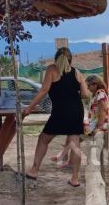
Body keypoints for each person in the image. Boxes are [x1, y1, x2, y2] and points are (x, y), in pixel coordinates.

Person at [23, 47, 91, 187]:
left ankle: (34, 170)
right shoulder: (77, 72)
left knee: (43, 139)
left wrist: (29, 107)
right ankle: (75, 179)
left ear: (56, 58)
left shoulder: (52, 70)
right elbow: (85, 94)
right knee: (75, 143)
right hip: (76, 111)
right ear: (70, 60)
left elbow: (43, 91)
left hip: (60, 111)